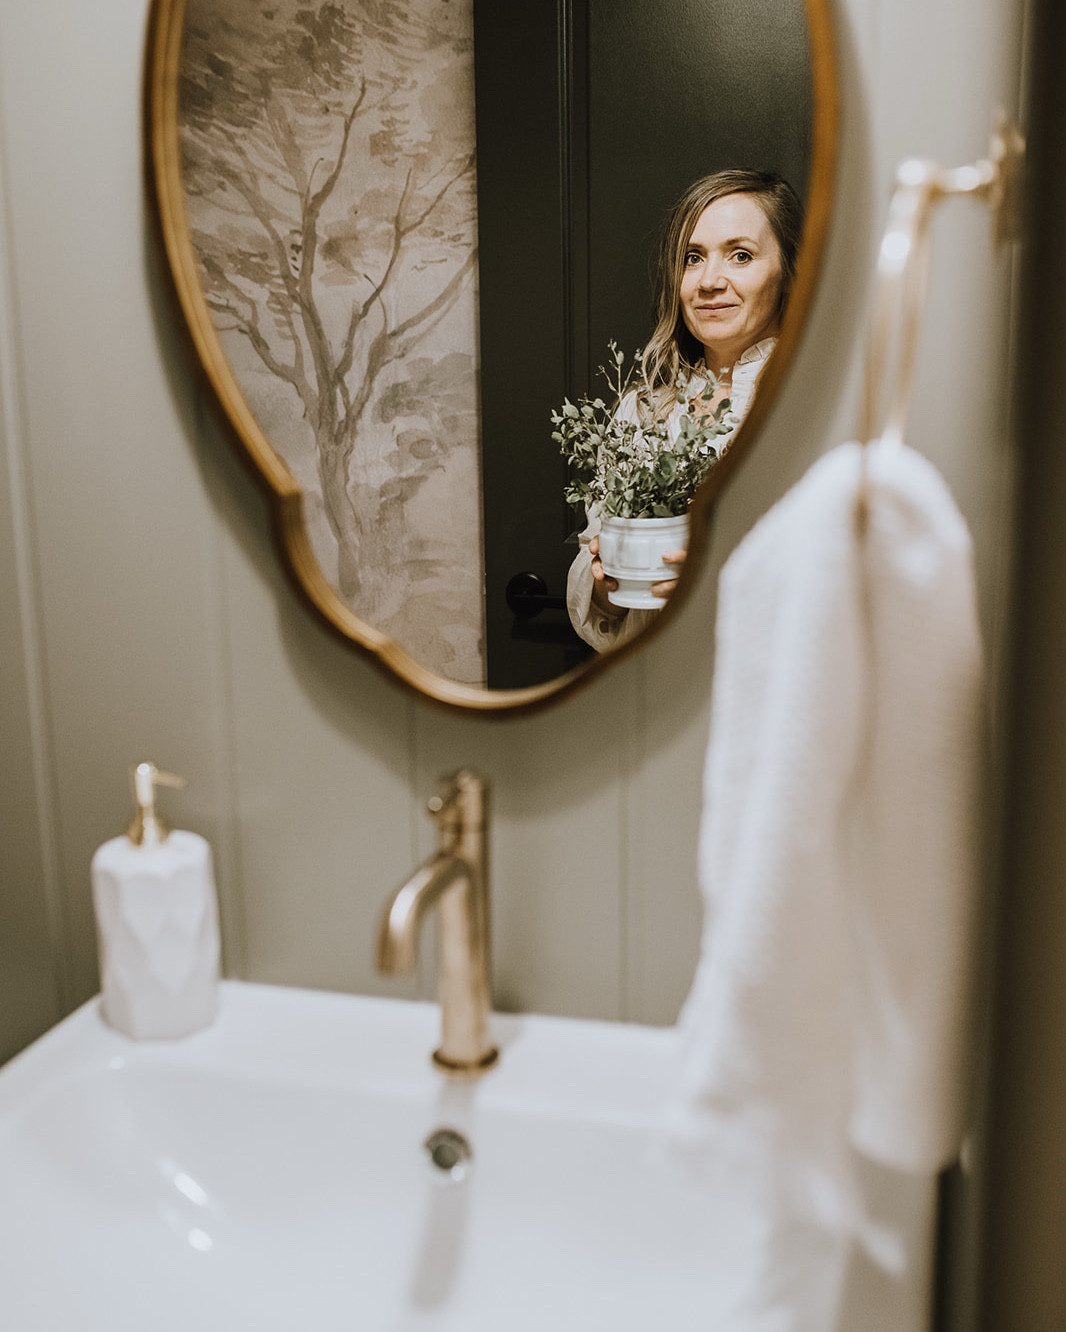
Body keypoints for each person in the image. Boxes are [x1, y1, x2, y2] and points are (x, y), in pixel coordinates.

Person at [567, 169, 803, 651]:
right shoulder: (643, 410)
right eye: (693, 258)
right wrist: (609, 587)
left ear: (788, 271)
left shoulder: (809, 400)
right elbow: (592, 566)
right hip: (650, 690)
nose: (709, 281)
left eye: (741, 255)